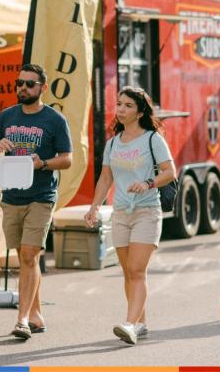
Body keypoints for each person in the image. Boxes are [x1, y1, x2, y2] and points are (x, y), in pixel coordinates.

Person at [0, 63, 72, 340]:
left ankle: (21, 319)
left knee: (29, 254)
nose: (22, 88)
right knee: (26, 259)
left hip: (41, 196)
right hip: (12, 195)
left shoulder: (54, 120)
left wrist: (43, 163)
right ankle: (36, 314)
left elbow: (67, 159)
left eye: (29, 84)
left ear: (42, 88)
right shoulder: (6, 116)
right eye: (19, 83)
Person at [84, 86, 177, 345]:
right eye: (119, 104)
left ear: (139, 112)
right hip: (120, 213)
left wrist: (147, 183)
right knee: (128, 273)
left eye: (127, 106)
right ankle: (141, 322)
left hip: (147, 211)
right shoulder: (113, 142)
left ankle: (130, 325)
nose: (121, 109)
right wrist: (94, 206)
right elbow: (105, 178)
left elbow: (170, 172)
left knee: (137, 270)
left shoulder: (152, 139)